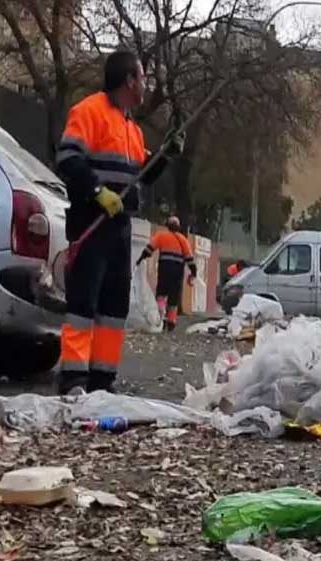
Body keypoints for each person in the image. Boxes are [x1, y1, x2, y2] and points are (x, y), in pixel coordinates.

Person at [54, 49, 180, 394]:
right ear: (129, 80)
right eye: (142, 77)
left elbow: (142, 174)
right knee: (83, 302)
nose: (145, 85)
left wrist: (166, 156)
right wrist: (97, 192)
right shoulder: (89, 111)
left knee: (113, 305)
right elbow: (67, 159)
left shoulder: (130, 128)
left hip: (118, 227)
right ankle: (74, 378)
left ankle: (102, 379)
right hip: (90, 220)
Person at [136, 216, 197, 332]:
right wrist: (194, 272)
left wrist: (140, 259)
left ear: (167, 225)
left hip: (164, 269)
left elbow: (149, 249)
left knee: (161, 294)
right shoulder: (182, 239)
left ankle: (160, 316)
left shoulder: (161, 236)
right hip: (177, 272)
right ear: (178, 227)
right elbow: (189, 258)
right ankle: (171, 321)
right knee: (174, 297)